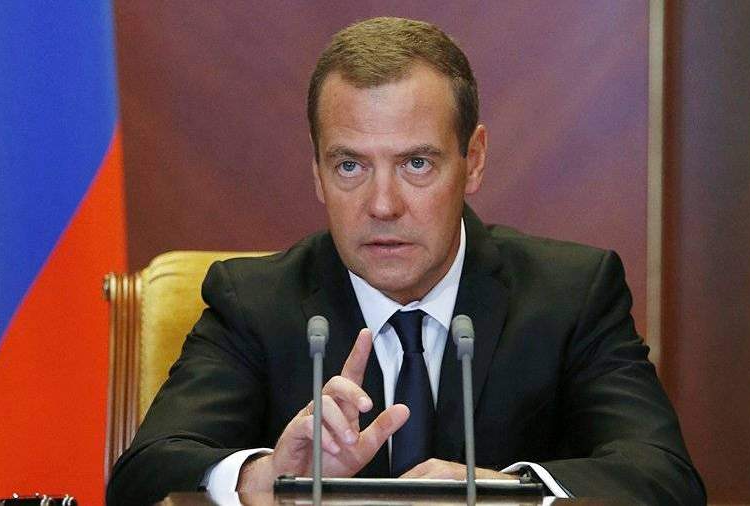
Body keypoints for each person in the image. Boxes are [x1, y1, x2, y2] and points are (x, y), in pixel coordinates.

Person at [107, 17, 705, 506]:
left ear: (473, 160)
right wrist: (265, 477)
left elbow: (665, 478)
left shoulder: (571, 295)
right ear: (316, 171)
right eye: (350, 166)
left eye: (416, 164)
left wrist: (509, 494)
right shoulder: (255, 303)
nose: (383, 205)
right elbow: (142, 477)